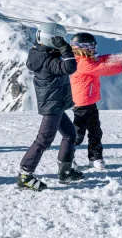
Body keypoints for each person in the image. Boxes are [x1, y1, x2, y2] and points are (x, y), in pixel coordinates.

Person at [17, 23, 84, 191]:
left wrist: (58, 47)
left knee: (70, 134)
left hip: (55, 103)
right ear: (52, 40)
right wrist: (65, 48)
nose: (63, 42)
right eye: (60, 39)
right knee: (44, 140)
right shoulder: (48, 61)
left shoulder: (40, 53)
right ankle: (25, 175)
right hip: (52, 105)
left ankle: (65, 171)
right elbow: (70, 67)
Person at [69, 32, 122, 169]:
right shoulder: (81, 63)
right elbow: (103, 68)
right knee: (78, 134)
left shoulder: (89, 59)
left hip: (91, 102)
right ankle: (67, 158)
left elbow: (105, 59)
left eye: (94, 46)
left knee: (95, 131)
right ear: (80, 47)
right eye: (90, 46)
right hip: (81, 104)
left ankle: (95, 158)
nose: (93, 49)